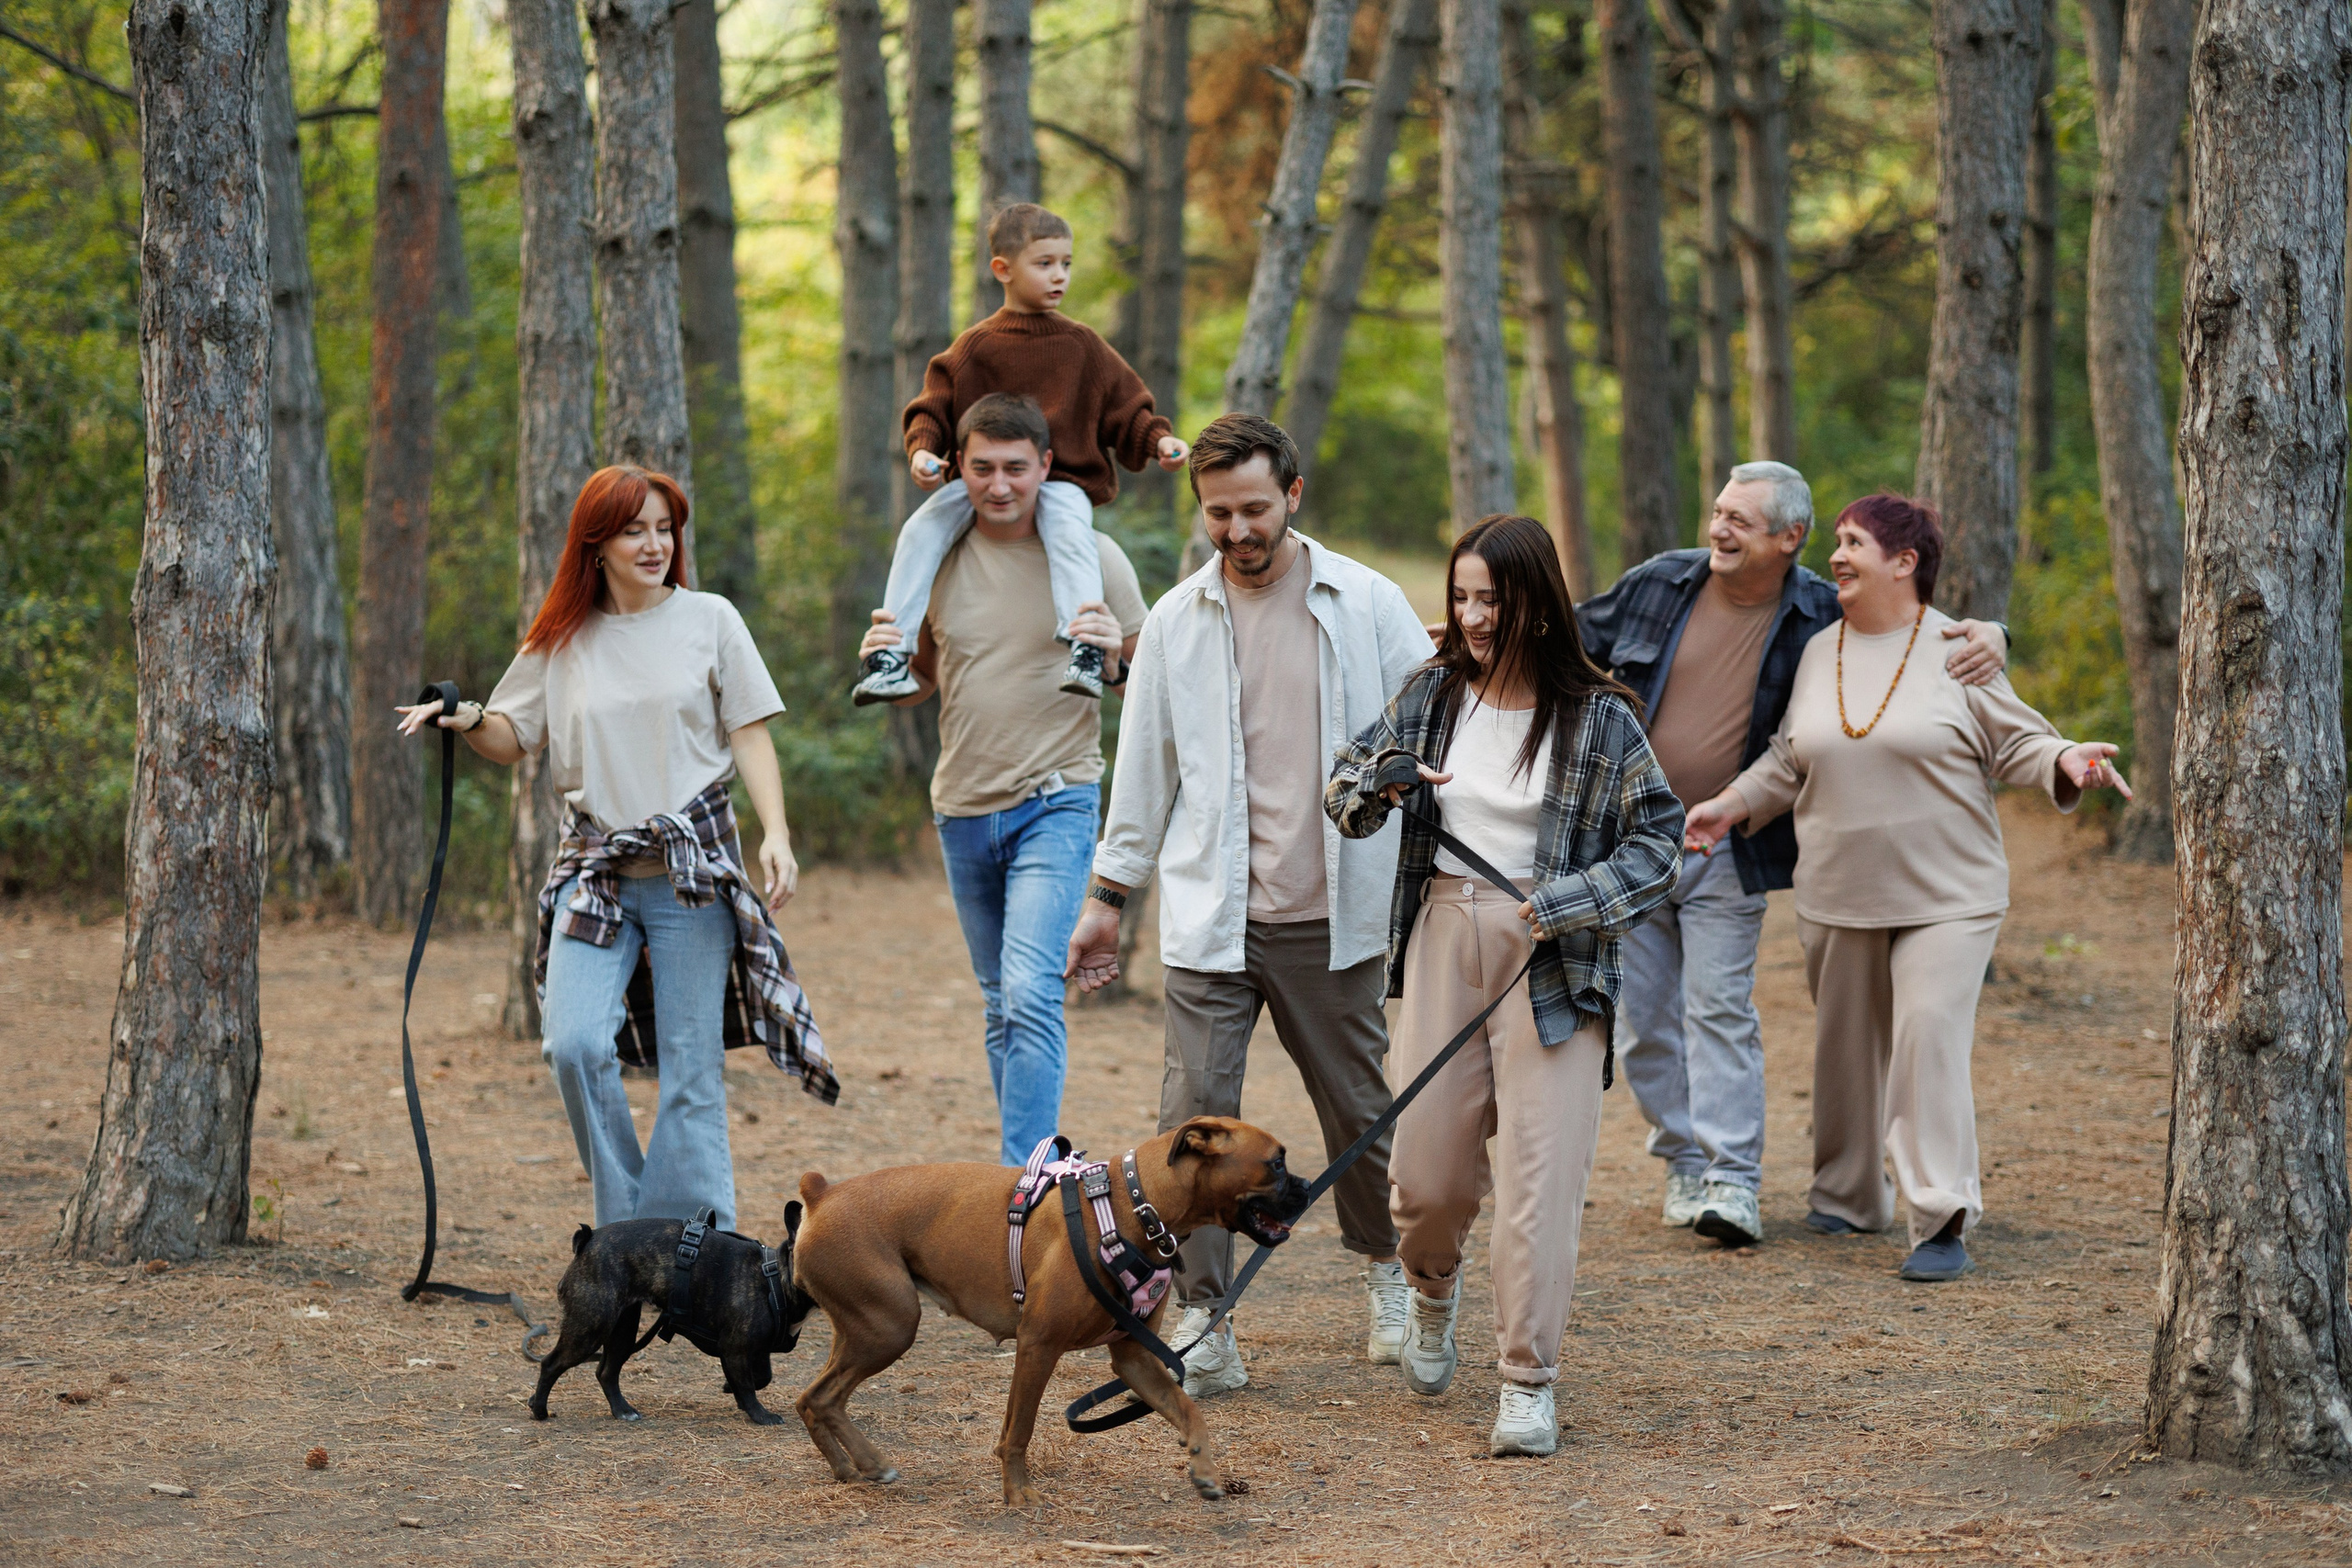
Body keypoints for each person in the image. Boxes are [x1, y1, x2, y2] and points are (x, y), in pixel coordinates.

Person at [1069, 413, 1432, 1398]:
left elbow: (1432, 721)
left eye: (1255, 509)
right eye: (1219, 513)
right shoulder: (1177, 620)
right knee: (1192, 1124)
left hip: (1331, 914)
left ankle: (1387, 1270)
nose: (1238, 531)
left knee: (1357, 1108)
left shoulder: (1367, 602)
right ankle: (1204, 1314)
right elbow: (1144, 773)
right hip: (1212, 920)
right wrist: (1108, 898)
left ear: (1294, 496)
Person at [1683, 493, 2131, 1282]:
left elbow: (2017, 738)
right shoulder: (1819, 651)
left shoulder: (1958, 647)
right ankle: (1849, 1193)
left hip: (1949, 893)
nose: (1837, 556)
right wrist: (1732, 803)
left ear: (1905, 561)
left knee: (1926, 1033)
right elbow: (1789, 757)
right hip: (1837, 889)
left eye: (1854, 542)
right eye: (1837, 542)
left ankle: (1941, 1213)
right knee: (1845, 1048)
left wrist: (2065, 759)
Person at [1575, 461, 2011, 1247]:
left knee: (1718, 1009)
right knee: (1642, 1023)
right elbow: (1570, 634)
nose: (1719, 529)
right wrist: (1483, 640)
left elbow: (1906, 633)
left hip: (1727, 849)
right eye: (1718, 512)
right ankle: (1682, 1158)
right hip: (1630, 840)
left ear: (1788, 537)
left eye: (1739, 520)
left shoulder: (1818, 614)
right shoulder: (1662, 582)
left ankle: (1731, 1179)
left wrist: (1996, 632)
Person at [394, 466, 835, 1232]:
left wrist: (778, 832)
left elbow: (749, 732)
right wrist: (467, 719)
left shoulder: (711, 619)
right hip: (595, 869)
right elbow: (512, 734)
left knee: (691, 1070)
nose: (655, 544)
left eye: (665, 529)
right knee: (572, 1044)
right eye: (635, 530)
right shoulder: (564, 636)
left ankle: (689, 1245)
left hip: (690, 872)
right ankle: (630, 1230)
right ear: (596, 544)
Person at [1327, 514, 1682, 1458]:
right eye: (1462, 597)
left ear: (1539, 604)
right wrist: (1385, 782)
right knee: (1424, 1178)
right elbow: (1344, 792)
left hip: (1556, 955)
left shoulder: (1600, 716)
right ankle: (1431, 1291)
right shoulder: (1433, 694)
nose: (1473, 616)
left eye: (1492, 599)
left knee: (1541, 1179)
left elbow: (1660, 844)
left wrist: (1572, 901)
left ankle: (1527, 1380)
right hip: (1444, 935)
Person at [859, 393, 1148, 1165]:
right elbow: (923, 682)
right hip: (961, 807)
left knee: (1029, 990)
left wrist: (1113, 660)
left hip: (1057, 799)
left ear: (1045, 465)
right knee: (1000, 1003)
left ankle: (1028, 1173)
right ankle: (1021, 1172)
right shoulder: (937, 557)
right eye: (982, 467)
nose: (999, 485)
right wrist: (883, 654)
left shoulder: (1094, 558)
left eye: (1016, 467)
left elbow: (1154, 684)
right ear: (958, 467)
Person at [853, 202, 1187, 706]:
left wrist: (1159, 441)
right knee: (920, 529)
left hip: (1062, 483)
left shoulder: (1082, 346)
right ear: (1003, 269)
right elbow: (933, 408)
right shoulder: (975, 347)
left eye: (1066, 263)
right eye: (1045, 263)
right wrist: (923, 453)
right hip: (979, 483)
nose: (1059, 275)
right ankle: (890, 656)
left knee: (1071, 534)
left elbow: (1125, 407)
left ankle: (1084, 649)